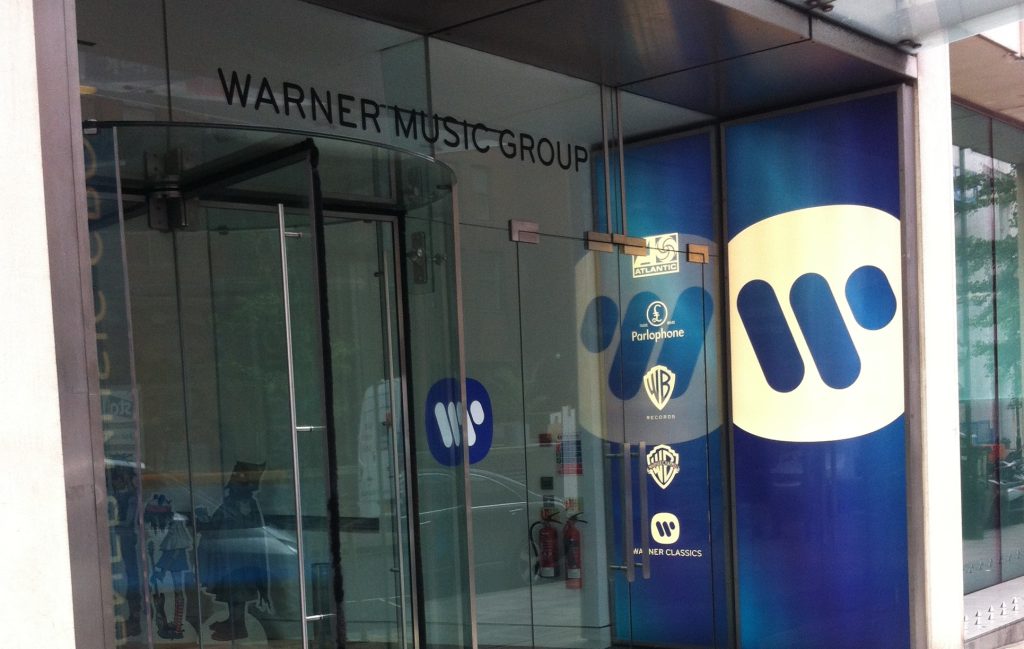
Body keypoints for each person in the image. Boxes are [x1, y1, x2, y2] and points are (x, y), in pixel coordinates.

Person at [198, 461, 270, 641]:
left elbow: (244, 531)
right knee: (233, 593)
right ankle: (233, 621)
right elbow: (218, 523)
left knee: (237, 594)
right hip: (232, 559)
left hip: (239, 560)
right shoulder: (237, 502)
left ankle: (238, 625)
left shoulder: (243, 504)